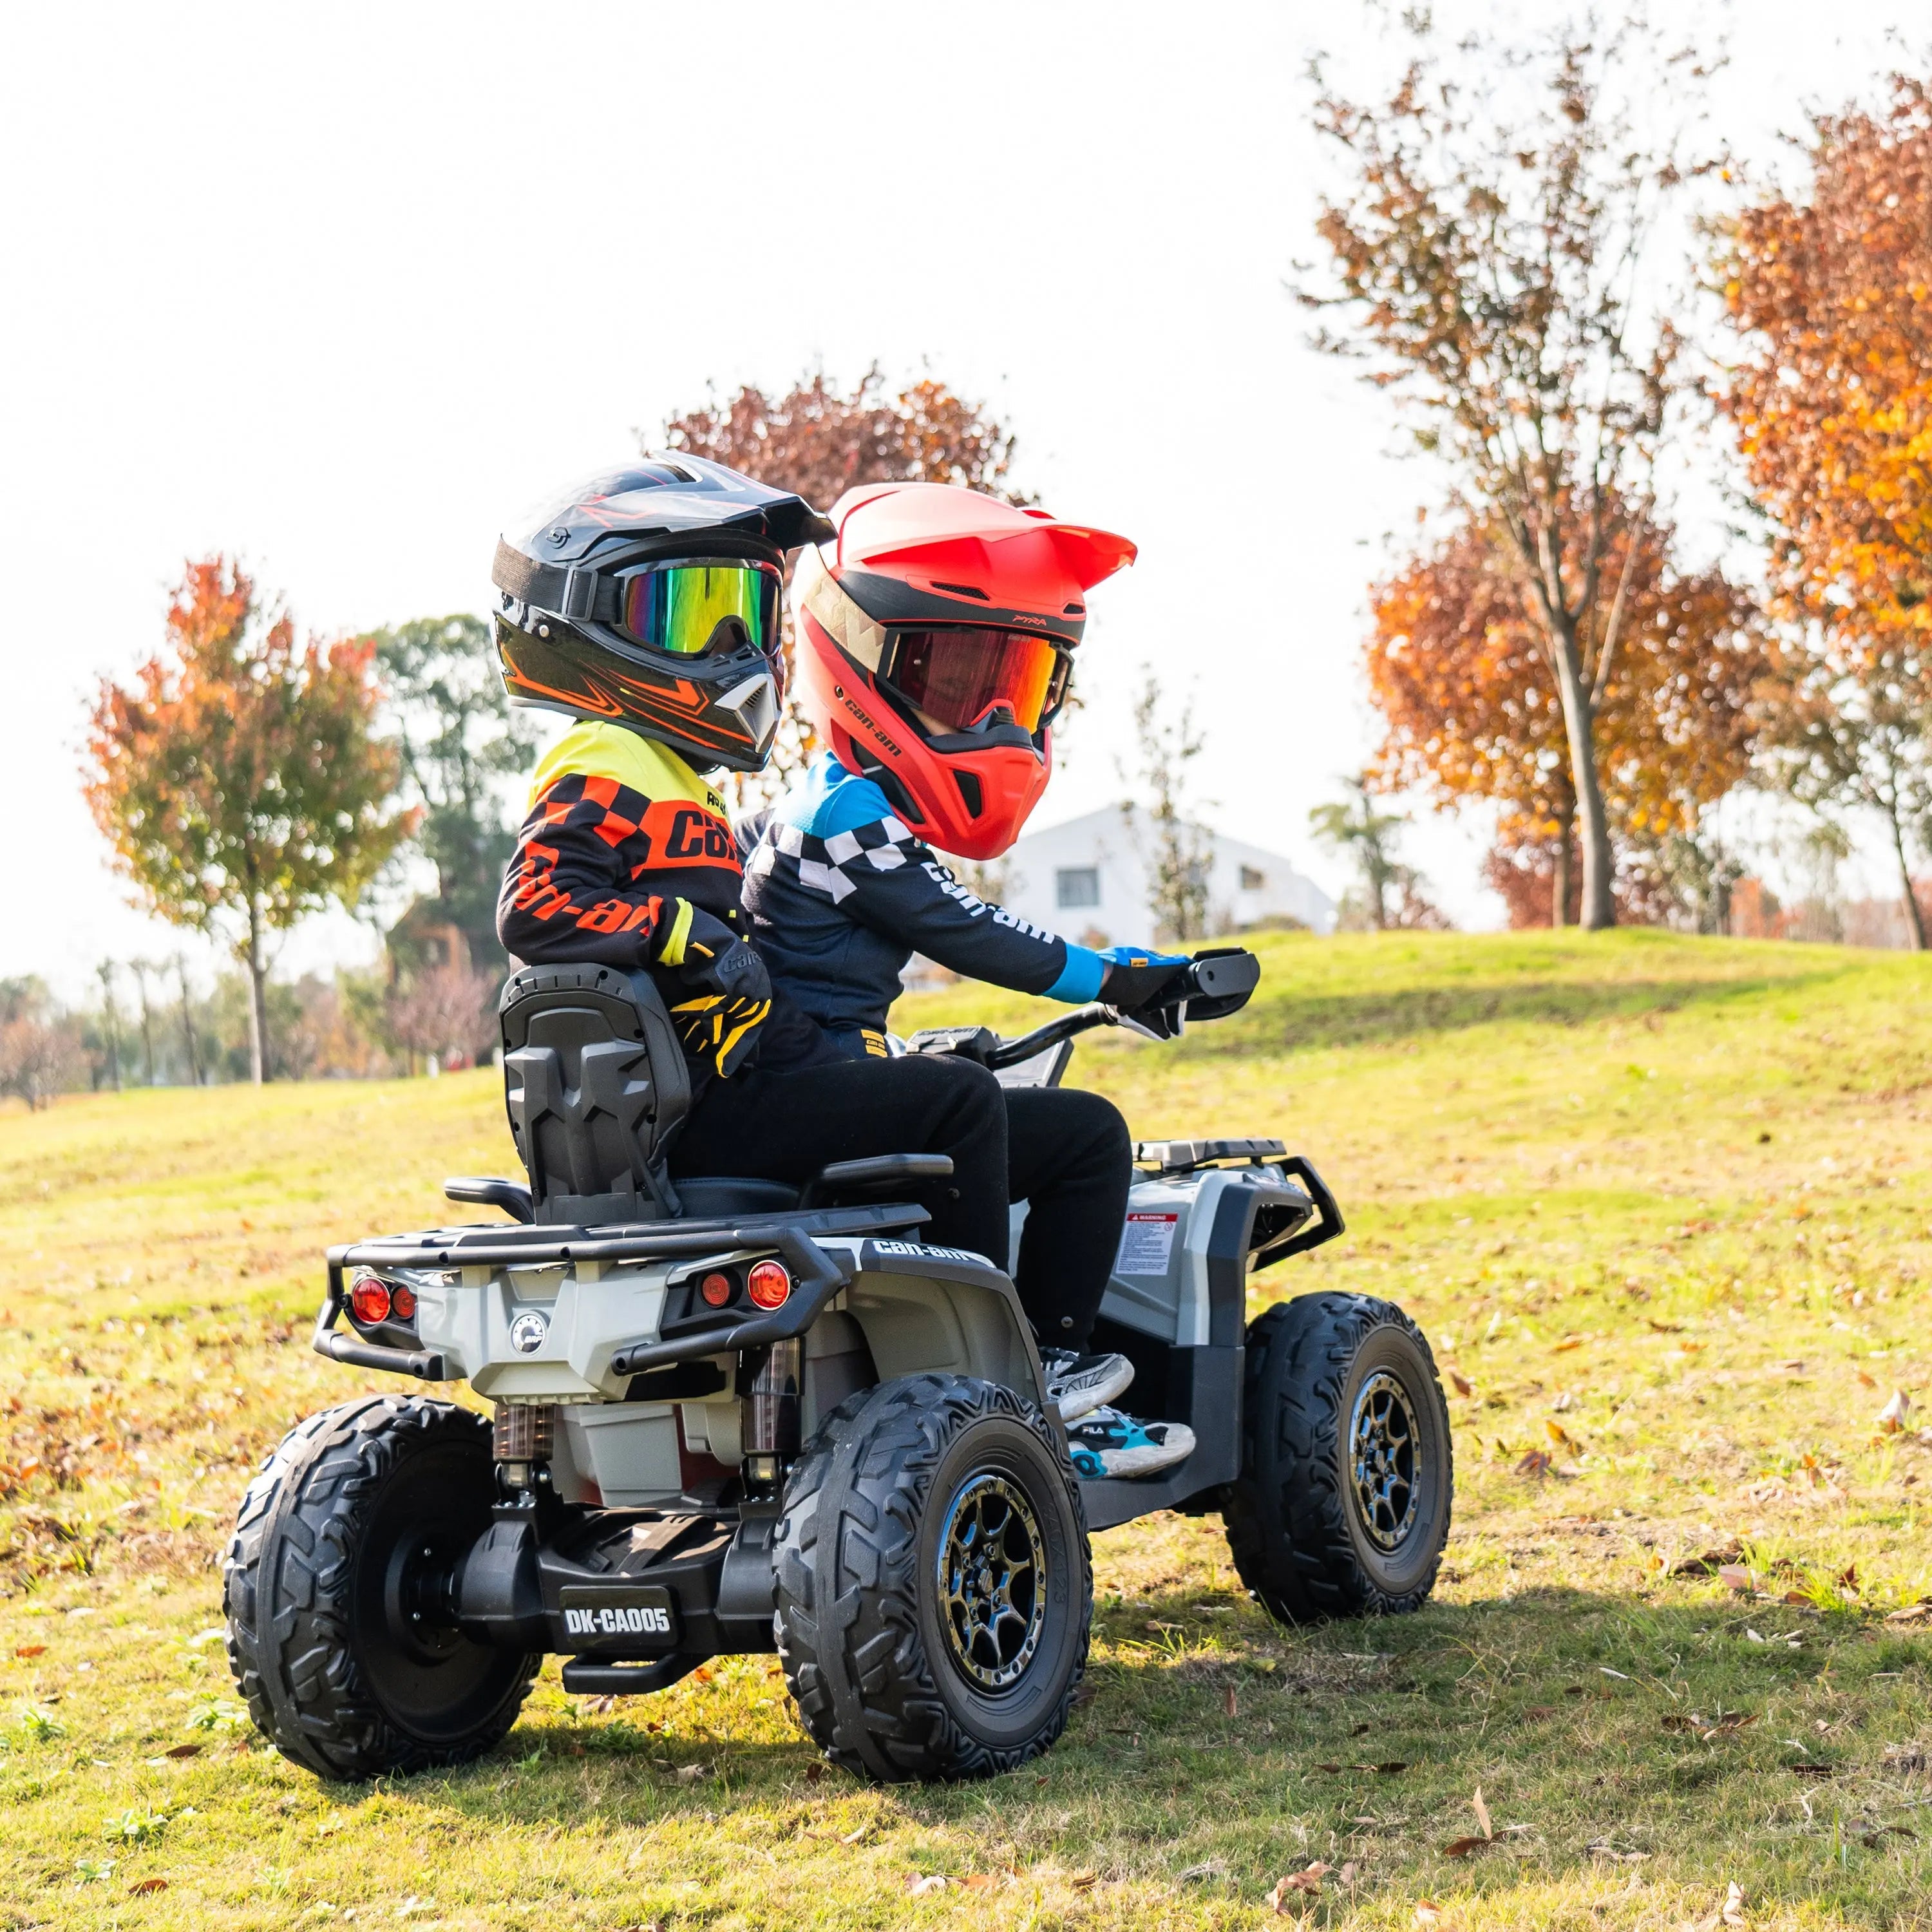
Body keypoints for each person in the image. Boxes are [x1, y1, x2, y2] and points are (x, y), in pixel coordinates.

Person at [488, 460, 1112, 1428]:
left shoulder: (674, 781)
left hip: (724, 1085)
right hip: (719, 1104)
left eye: (747, 611)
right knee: (957, 1103)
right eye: (691, 615)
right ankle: (1002, 1381)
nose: (735, 646)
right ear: (586, 626)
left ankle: (1003, 1361)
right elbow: (535, 908)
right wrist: (677, 930)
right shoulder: (605, 761)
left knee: (1047, 1121)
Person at [735, 481, 1197, 1479]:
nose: (991, 715)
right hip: (793, 1086)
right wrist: (1113, 980)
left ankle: (1054, 1371)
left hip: (816, 1074)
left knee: (1082, 1135)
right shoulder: (843, 811)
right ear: (853, 658)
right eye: (951, 680)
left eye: (1016, 688)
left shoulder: (812, 804)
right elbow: (964, 930)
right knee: (963, 1100)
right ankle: (1012, 1378)